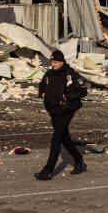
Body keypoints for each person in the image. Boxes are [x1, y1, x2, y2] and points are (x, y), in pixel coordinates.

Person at [35, 49, 87, 180]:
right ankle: (79, 161)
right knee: (65, 139)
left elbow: (83, 90)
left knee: (56, 138)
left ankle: (48, 170)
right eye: (52, 62)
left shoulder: (70, 74)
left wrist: (67, 97)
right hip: (53, 110)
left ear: (62, 61)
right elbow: (42, 85)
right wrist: (43, 94)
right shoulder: (49, 74)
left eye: (56, 62)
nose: (53, 64)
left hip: (66, 110)